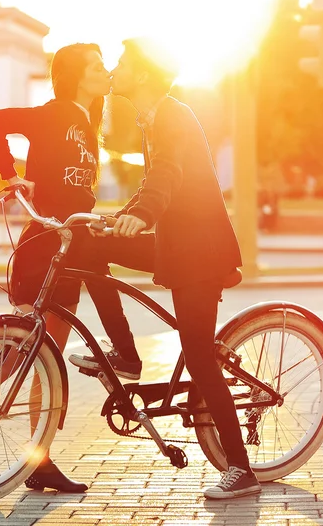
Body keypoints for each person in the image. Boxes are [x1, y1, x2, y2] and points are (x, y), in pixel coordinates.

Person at [69, 37, 261, 499]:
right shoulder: (151, 117)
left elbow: (169, 173)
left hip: (200, 253)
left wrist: (144, 213)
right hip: (177, 245)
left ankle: (241, 469)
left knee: (198, 355)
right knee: (91, 249)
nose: (114, 69)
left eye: (122, 62)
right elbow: (157, 181)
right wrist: (121, 220)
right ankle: (126, 356)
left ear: (144, 74)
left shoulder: (173, 115)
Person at [0, 43, 111, 493]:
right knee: (15, 356)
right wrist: (8, 174)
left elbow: (75, 193)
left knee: (45, 363)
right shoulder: (54, 113)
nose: (104, 71)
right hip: (42, 250)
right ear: (75, 74)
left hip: (69, 251)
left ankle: (40, 460)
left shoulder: (88, 123)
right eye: (96, 65)